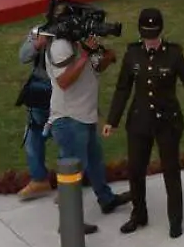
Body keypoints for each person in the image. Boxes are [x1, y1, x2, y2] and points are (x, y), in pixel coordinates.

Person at [104, 7, 184, 239]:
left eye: (153, 36)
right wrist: (112, 120)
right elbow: (123, 88)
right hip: (139, 120)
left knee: (170, 171)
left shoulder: (174, 54)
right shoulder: (133, 54)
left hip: (167, 121)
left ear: (160, 32)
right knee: (135, 170)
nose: (150, 42)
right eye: (146, 37)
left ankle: (175, 219)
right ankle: (139, 215)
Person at [45, 25, 130, 232]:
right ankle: (69, 222)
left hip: (84, 116)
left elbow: (93, 67)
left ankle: (106, 199)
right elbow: (64, 81)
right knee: (73, 173)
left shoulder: (77, 43)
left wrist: (106, 58)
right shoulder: (60, 46)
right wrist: (84, 53)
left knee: (95, 162)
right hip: (69, 118)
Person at [15, 24, 55, 201]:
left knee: (68, 138)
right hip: (41, 92)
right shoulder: (40, 30)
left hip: (66, 91)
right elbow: (23, 56)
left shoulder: (73, 32)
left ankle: (72, 184)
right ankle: (39, 179)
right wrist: (38, 44)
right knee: (33, 135)